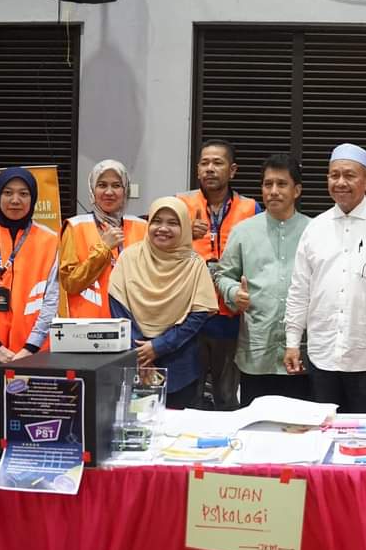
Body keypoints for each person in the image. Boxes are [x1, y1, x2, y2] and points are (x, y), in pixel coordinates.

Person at [284, 144, 366, 412]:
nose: (340, 182)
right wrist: (292, 342)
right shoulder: (315, 228)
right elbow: (299, 290)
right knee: (324, 430)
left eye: (349, 175)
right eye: (334, 175)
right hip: (322, 355)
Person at [216, 154, 311, 406]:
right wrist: (233, 292)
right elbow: (223, 274)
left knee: (300, 424)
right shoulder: (243, 231)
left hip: (302, 350)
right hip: (257, 351)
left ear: (297, 190)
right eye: (268, 184)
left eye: (282, 184)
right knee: (256, 423)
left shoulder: (314, 231)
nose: (273, 191)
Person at [109, 197, 218, 410]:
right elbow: (118, 305)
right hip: (134, 360)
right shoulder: (128, 258)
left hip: (180, 363)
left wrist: (158, 347)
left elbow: (197, 315)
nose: (163, 228)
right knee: (135, 423)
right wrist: (140, 353)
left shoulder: (194, 265)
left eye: (173, 223)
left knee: (177, 426)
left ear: (184, 227)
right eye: (157, 221)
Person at [178, 138, 261, 410]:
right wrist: (185, 234)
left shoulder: (250, 209)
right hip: (189, 315)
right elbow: (159, 249)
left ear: (232, 170)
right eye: (204, 163)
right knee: (191, 398)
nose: (210, 169)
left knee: (228, 398)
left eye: (217, 163)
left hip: (232, 316)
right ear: (197, 170)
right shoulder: (181, 204)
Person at [0, 167, 60, 361]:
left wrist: (30, 347)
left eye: (23, 194)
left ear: (33, 199)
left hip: (34, 353)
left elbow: (52, 300)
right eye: (8, 193)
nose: (15, 200)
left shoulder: (50, 240)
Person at [59, 160, 147, 317]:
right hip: (89, 324)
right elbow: (70, 284)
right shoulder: (75, 227)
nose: (109, 192)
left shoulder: (142, 227)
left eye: (116, 185)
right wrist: (104, 249)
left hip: (133, 324)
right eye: (102, 185)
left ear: (125, 190)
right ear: (92, 190)